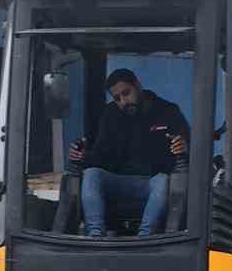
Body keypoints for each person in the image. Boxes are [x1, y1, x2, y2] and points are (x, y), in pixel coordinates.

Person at [70, 69, 189, 238]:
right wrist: (82, 156)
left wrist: (183, 147)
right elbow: (101, 156)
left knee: (162, 180)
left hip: (153, 181)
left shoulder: (168, 111)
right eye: (117, 98)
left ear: (138, 85)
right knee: (91, 175)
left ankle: (145, 236)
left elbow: (188, 146)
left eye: (126, 93)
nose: (123, 101)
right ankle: (95, 235)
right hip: (120, 181)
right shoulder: (111, 114)